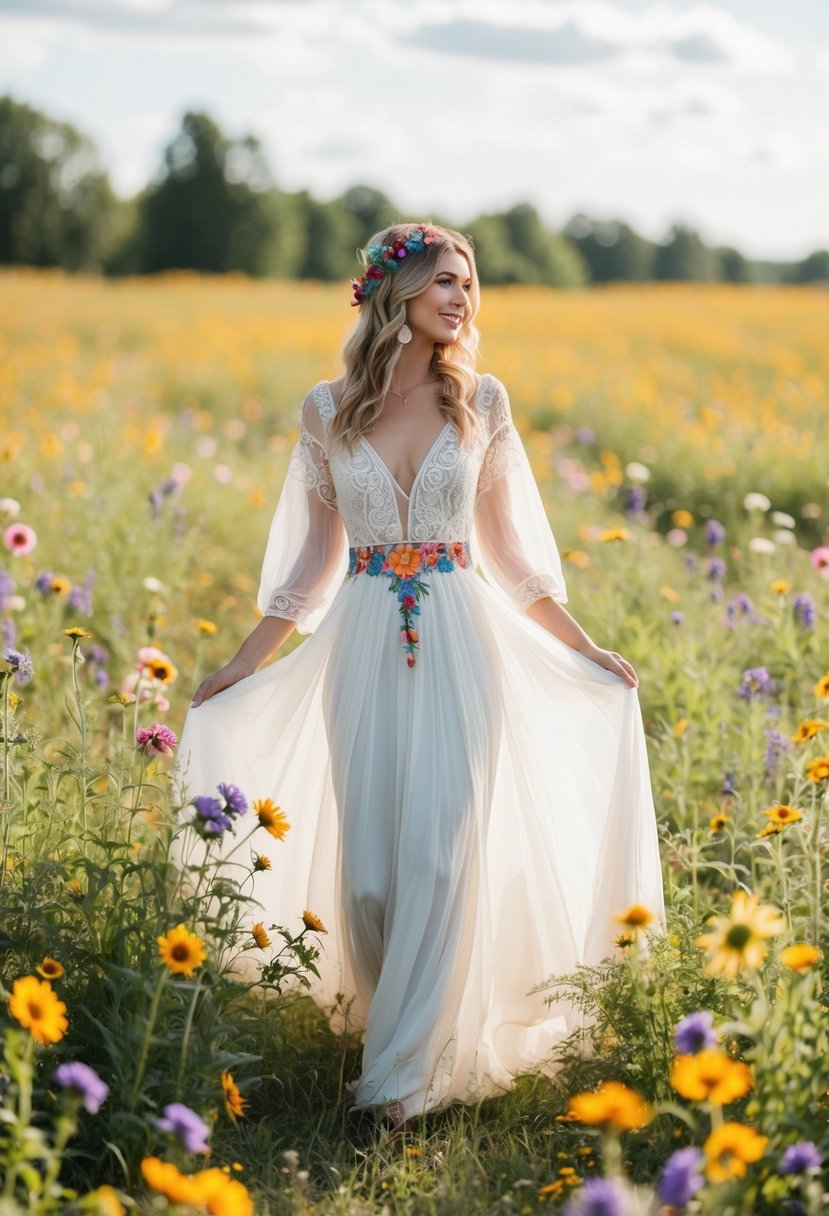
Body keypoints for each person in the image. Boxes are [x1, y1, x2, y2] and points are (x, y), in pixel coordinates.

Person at [175, 222, 665, 1131]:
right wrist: (243, 662)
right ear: (392, 290)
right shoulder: (326, 410)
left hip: (459, 639)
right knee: (369, 877)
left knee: (441, 857)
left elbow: (512, 559)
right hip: (361, 642)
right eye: (445, 280)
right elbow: (314, 565)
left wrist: (584, 647)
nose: (462, 299)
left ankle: (398, 1085)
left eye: (469, 285)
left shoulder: (482, 401)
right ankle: (392, 1025)